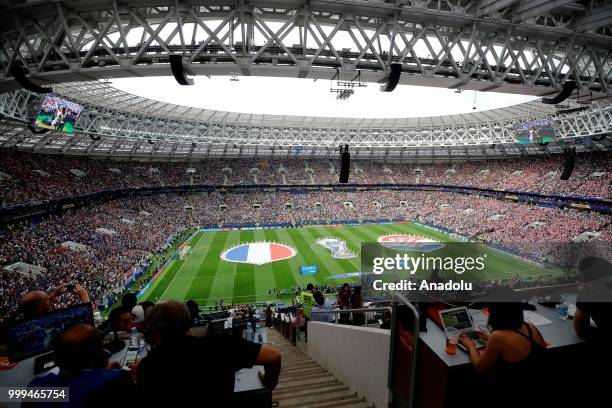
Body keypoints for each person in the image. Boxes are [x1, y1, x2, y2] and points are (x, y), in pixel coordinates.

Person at [134, 301, 281, 404]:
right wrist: (268, 382)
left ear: (156, 331)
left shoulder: (147, 367)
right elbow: (273, 356)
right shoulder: (220, 346)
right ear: (188, 323)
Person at [458, 302, 547, 406]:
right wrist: (489, 338)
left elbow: (479, 367)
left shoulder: (498, 336)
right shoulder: (530, 327)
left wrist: (470, 346)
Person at [27, 324, 136, 407]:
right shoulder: (116, 379)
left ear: (57, 358)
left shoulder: (34, 388)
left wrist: (101, 374)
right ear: (98, 357)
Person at [19, 284, 90, 319]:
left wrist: (54, 294)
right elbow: (88, 319)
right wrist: (84, 295)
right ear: (40, 307)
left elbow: (43, 303)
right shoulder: (50, 321)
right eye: (47, 299)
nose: (49, 299)